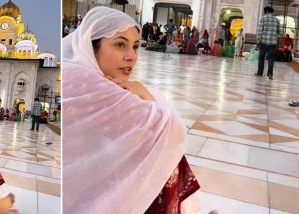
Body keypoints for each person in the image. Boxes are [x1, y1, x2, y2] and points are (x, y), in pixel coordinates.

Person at [63, 6, 200, 214]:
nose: (131, 57)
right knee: (162, 150)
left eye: (135, 47)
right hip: (91, 201)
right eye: (120, 45)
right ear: (92, 46)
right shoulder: (96, 87)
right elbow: (174, 131)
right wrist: (146, 93)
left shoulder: (71, 70)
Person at [256, 6, 281, 80]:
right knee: (271, 58)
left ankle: (260, 72)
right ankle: (270, 74)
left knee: (261, 57)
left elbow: (260, 31)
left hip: (263, 42)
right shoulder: (277, 20)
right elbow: (280, 32)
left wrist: (258, 41)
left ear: (266, 11)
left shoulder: (263, 18)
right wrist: (275, 37)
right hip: (273, 43)